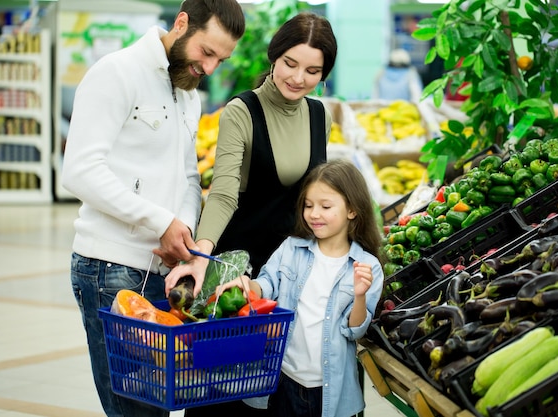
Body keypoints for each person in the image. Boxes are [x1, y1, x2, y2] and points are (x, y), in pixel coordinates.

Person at [60, 1, 245, 416]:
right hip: (110, 269)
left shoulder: (187, 94)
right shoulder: (117, 73)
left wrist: (181, 230)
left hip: (159, 272)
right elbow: (79, 170)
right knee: (135, 411)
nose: (211, 68)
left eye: (221, 59)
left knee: (156, 408)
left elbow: (188, 177)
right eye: (206, 52)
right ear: (182, 24)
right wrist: (160, 221)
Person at [165, 11, 338, 416]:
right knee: (226, 393)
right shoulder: (242, 111)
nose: (298, 78)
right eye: (290, 64)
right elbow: (223, 193)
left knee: (280, 391)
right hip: (239, 269)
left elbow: (314, 196)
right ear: (275, 56)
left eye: (313, 71)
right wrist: (199, 256)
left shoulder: (319, 115)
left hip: (290, 272)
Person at [219, 159, 385, 417]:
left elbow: (354, 331)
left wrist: (360, 295)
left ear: (352, 210)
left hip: (329, 392)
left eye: (325, 206)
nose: (314, 214)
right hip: (282, 380)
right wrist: (246, 285)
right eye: (308, 205)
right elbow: (267, 283)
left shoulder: (367, 266)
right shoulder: (291, 248)